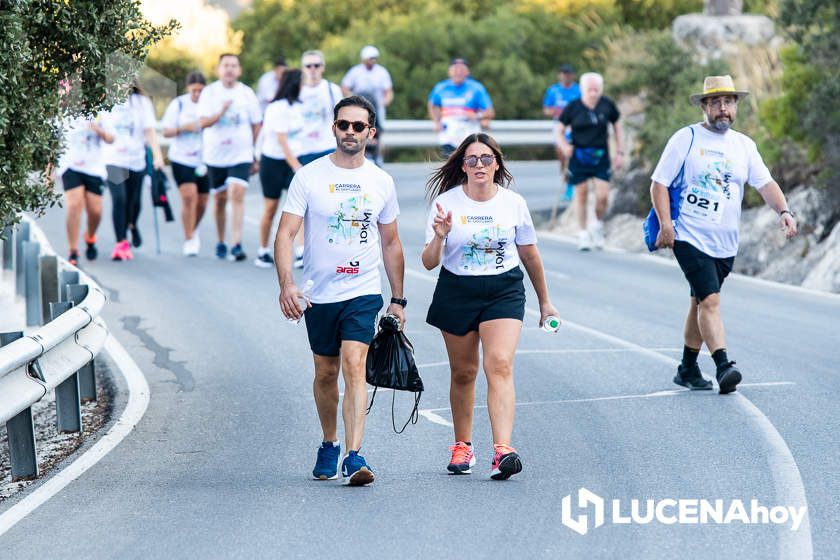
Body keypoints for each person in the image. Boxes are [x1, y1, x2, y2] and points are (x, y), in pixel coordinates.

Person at [274, 95, 405, 486]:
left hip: (363, 290)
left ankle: (354, 454)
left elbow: (392, 243)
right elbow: (285, 233)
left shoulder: (381, 181)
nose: (350, 131)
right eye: (343, 125)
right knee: (326, 371)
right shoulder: (309, 176)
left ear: (371, 132)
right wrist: (287, 285)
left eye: (358, 126)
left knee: (354, 365)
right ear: (334, 128)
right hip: (318, 294)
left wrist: (398, 299)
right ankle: (329, 442)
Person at [422, 132, 560, 480]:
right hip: (457, 289)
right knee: (464, 372)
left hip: (504, 289)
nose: (479, 165)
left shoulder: (513, 203)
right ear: (463, 166)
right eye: (472, 159)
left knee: (499, 364)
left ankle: (503, 450)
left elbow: (529, 252)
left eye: (486, 159)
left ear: (497, 164)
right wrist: (439, 235)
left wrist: (545, 302)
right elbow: (428, 263)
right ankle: (462, 446)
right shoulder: (446, 203)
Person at [650, 75, 798, 394]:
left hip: (725, 242)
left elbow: (765, 183)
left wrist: (784, 211)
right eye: (715, 103)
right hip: (689, 235)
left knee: (700, 301)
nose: (722, 109)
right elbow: (659, 183)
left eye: (728, 102)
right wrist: (666, 224)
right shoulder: (686, 138)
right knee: (711, 300)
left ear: (736, 107)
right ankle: (723, 366)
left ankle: (687, 368)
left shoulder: (744, 145)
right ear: (704, 106)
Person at [198, 53, 262, 262]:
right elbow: (204, 122)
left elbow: (256, 124)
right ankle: (221, 241)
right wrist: (221, 111)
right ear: (218, 69)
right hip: (216, 156)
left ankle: (236, 243)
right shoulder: (209, 93)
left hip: (240, 154)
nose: (230, 69)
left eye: (234, 66)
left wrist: (253, 152)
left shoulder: (246, 93)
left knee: (237, 193)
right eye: (226, 65)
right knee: (220, 199)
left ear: (239, 70)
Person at [557, 72, 624, 250]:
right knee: (582, 194)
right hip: (578, 155)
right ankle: (583, 233)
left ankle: (597, 224)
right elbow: (559, 130)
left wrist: (619, 152)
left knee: (603, 196)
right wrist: (564, 146)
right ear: (582, 90)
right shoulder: (573, 107)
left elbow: (617, 126)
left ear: (601, 89)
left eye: (596, 90)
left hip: (600, 156)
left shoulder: (607, 104)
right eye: (590, 90)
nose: (593, 93)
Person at [101, 85, 163, 261]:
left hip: (136, 160)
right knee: (119, 199)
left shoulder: (142, 103)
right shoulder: (104, 99)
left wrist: (158, 155)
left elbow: (149, 131)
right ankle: (120, 242)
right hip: (113, 160)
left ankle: (132, 224)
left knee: (134, 202)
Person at [294, 50, 344, 268]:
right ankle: (300, 248)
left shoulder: (332, 90)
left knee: (329, 199)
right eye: (308, 66)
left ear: (322, 67)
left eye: (316, 65)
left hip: (326, 147)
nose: (312, 70)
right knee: (302, 202)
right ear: (303, 69)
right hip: (302, 149)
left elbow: (344, 118)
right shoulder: (296, 91)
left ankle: (328, 247)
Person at [255, 69, 304, 268]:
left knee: (300, 209)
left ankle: (300, 252)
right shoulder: (276, 107)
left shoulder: (299, 106)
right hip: (273, 162)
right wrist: (297, 167)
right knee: (271, 208)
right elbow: (282, 141)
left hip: (293, 160)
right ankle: (263, 251)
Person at [161, 71, 209, 257]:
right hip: (181, 158)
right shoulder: (179, 104)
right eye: (194, 90)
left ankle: (194, 228)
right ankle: (189, 238)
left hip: (204, 159)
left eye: (200, 90)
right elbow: (166, 132)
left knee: (203, 201)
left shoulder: (209, 105)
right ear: (188, 89)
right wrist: (184, 127)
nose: (197, 94)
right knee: (189, 197)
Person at [57, 113, 114, 265]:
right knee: (74, 205)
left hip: (94, 168)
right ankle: (73, 250)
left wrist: (97, 130)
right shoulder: (64, 111)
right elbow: (53, 141)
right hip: (70, 166)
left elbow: (111, 138)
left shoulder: (100, 113)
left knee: (95, 211)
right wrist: (48, 173)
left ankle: (90, 236)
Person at [428, 58, 494, 158]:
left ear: (467, 72)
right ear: (449, 71)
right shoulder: (441, 87)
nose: (458, 73)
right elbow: (432, 104)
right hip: (448, 136)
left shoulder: (476, 88)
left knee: (468, 166)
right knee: (450, 168)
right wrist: (436, 122)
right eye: (455, 70)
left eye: (462, 70)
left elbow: (490, 112)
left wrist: (477, 116)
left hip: (469, 135)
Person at [341, 45, 393, 165]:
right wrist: (352, 99)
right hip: (359, 108)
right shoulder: (355, 72)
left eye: (374, 58)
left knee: (378, 132)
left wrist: (384, 103)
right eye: (370, 58)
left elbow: (388, 92)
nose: (372, 61)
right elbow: (344, 87)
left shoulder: (381, 72)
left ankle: (378, 157)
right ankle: (359, 155)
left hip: (376, 109)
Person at [542, 63, 581, 205]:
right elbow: (546, 109)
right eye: (564, 73)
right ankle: (566, 180)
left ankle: (573, 185)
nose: (566, 76)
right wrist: (555, 111)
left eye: (568, 73)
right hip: (559, 125)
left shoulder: (578, 90)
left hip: (574, 125)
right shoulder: (553, 90)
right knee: (561, 153)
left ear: (572, 75)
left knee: (574, 154)